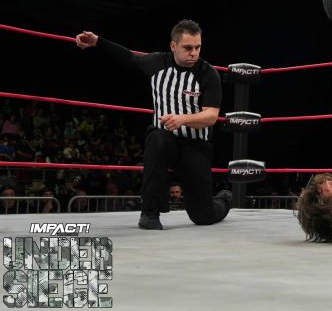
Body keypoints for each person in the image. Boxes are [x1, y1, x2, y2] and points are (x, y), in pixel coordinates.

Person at [75, 19, 231, 230]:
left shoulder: (208, 73)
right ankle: (149, 213)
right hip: (165, 139)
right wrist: (97, 42)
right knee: (157, 138)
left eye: (197, 47)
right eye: (188, 48)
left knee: (203, 216)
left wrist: (182, 119)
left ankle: (224, 198)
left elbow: (211, 116)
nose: (194, 53)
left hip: (195, 144)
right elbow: (128, 57)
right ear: (173, 46)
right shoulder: (157, 62)